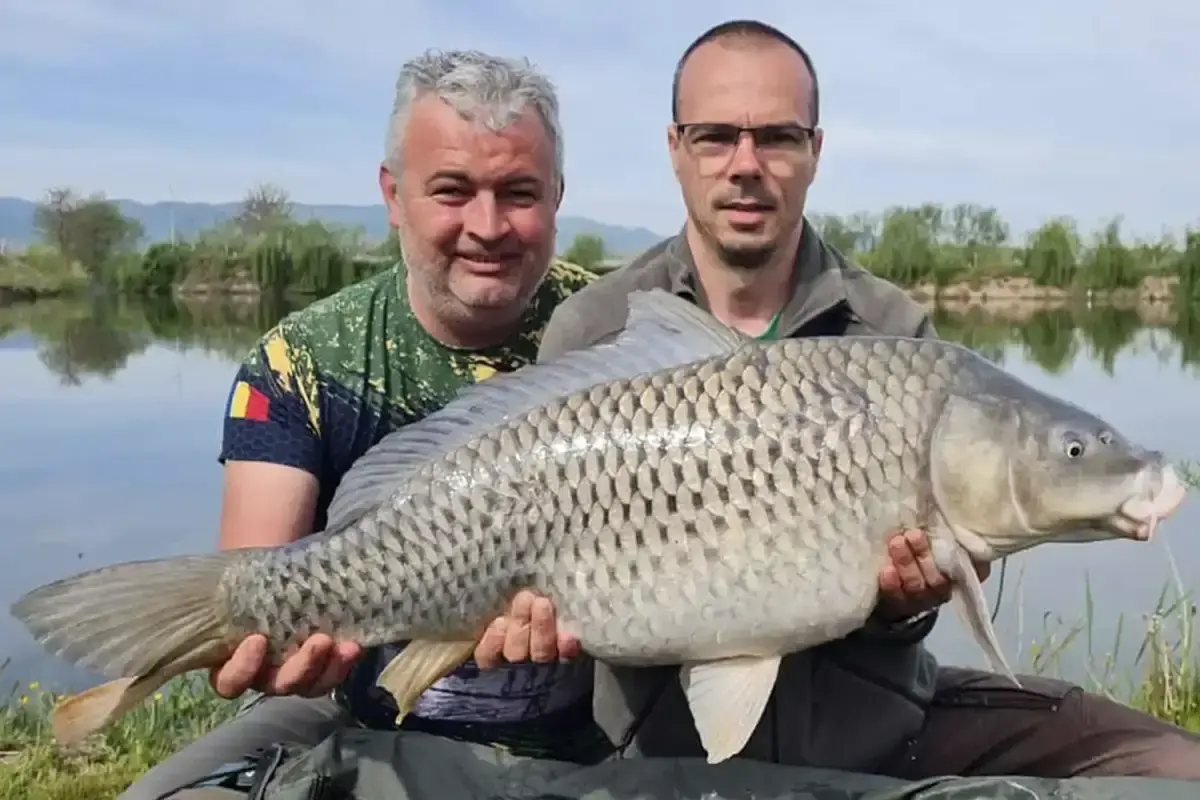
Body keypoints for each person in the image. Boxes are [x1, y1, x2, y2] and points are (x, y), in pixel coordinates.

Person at [534, 19, 1200, 781]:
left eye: (778, 137)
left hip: (881, 738)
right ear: (676, 148)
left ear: (815, 151)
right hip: (655, 751)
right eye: (716, 136)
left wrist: (904, 604)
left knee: (1170, 770)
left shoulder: (893, 331)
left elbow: (914, 610)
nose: (746, 165)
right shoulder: (596, 328)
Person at [119, 48, 602, 800]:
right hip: (352, 713)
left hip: (591, 728)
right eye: (452, 190)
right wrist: (264, 649)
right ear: (393, 194)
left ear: (558, 197)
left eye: (518, 192)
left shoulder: (613, 329)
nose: (487, 225)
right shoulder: (303, 360)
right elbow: (256, 581)